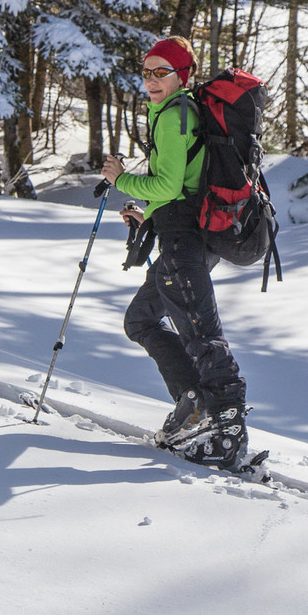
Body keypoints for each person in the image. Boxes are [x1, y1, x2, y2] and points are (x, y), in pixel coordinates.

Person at [102, 38, 255, 470]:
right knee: (140, 320)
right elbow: (180, 184)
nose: (151, 80)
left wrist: (121, 181)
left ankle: (227, 434)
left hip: (184, 241)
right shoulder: (181, 113)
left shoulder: (174, 117)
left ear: (181, 75)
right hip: (187, 235)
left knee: (203, 336)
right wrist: (144, 213)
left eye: (161, 72)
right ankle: (194, 403)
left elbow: (168, 188)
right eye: (147, 71)